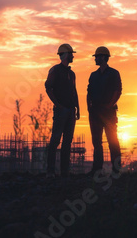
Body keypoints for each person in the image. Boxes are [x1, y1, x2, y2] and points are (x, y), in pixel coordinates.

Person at [45, 43, 80, 177]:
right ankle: (51, 171)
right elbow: (48, 88)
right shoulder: (55, 70)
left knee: (67, 141)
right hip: (61, 111)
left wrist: (78, 108)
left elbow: (74, 91)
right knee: (55, 140)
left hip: (71, 110)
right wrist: (58, 105)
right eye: (71, 54)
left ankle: (64, 171)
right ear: (65, 55)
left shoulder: (71, 74)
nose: (72, 56)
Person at [87, 46, 122, 175]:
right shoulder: (93, 75)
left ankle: (116, 169)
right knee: (96, 141)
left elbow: (117, 91)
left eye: (96, 57)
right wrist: (89, 108)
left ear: (103, 57)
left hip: (108, 113)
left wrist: (109, 105)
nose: (95, 59)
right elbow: (89, 92)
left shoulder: (113, 73)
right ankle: (97, 169)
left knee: (112, 140)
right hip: (95, 112)